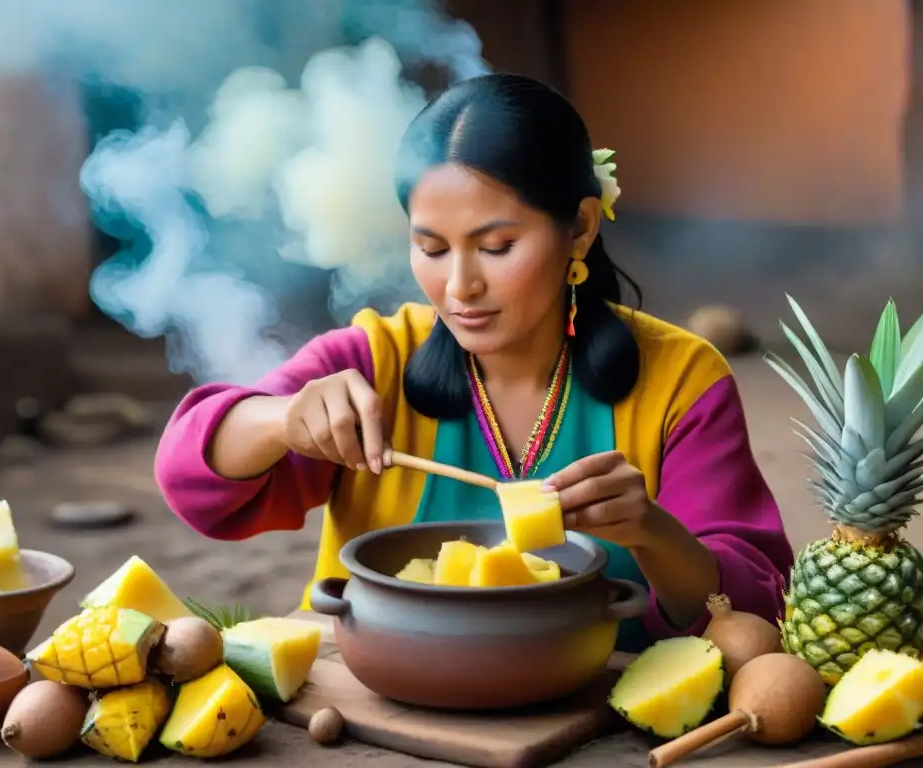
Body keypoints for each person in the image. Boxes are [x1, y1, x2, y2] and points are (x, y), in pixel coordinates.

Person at [155, 73, 794, 653]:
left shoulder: (682, 380)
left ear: (580, 228)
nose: (459, 287)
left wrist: (652, 531)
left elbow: (755, 606)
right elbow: (190, 481)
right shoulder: (374, 360)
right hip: (378, 698)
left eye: (496, 247)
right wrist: (279, 418)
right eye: (431, 248)